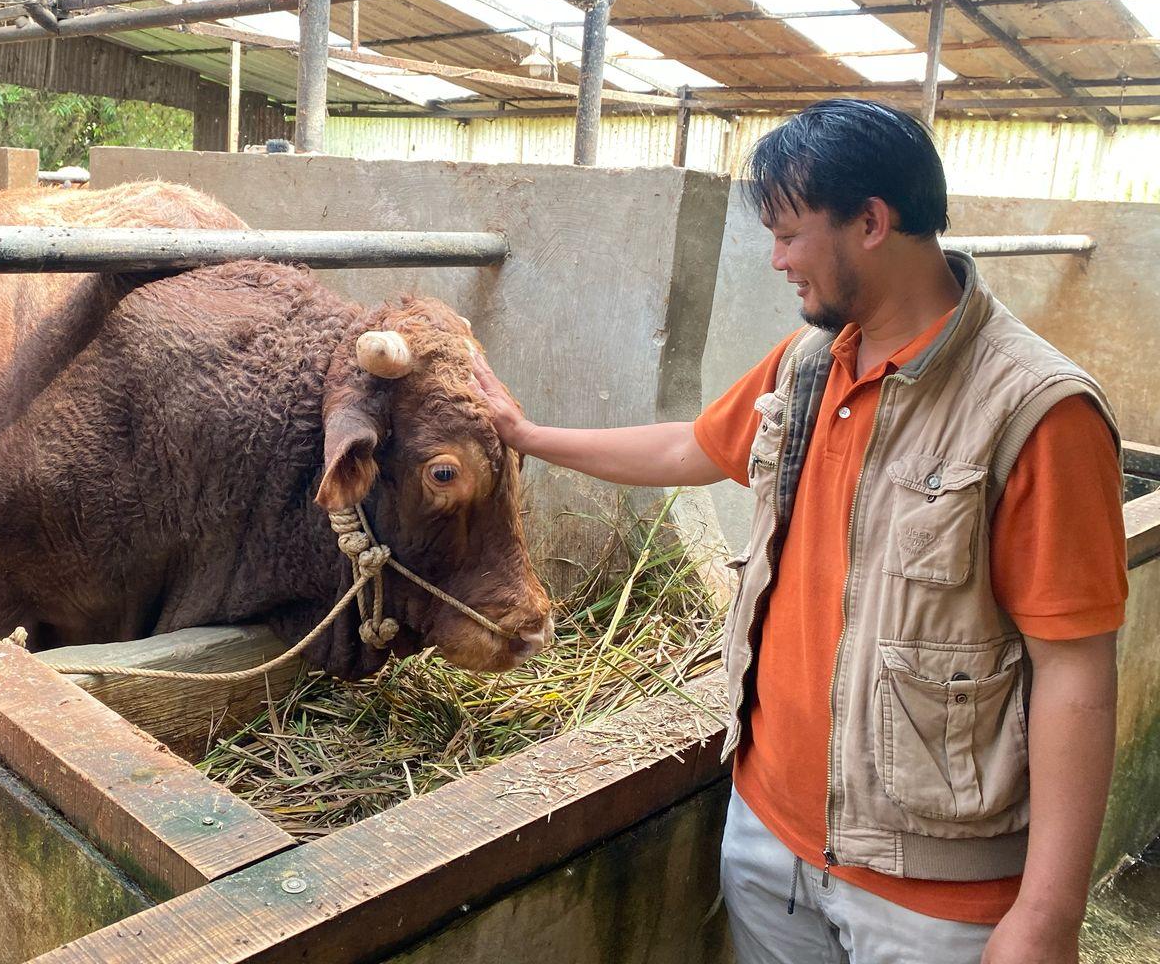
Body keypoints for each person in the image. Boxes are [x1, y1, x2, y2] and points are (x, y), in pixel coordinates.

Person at [472, 99, 1126, 964]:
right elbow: (688, 445)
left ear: (871, 221)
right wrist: (527, 436)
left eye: (788, 235)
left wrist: (1048, 914)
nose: (777, 260)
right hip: (767, 837)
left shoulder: (1036, 413)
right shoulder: (808, 364)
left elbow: (1075, 667)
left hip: (933, 896)